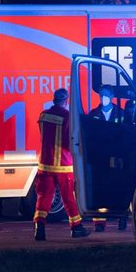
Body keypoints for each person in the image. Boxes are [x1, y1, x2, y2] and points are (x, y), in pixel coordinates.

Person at [33, 88, 90, 241]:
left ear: (53, 99)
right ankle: (76, 227)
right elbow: (68, 142)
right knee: (68, 197)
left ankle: (40, 228)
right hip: (63, 165)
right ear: (66, 101)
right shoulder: (67, 116)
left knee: (44, 197)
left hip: (45, 164)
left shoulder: (43, 115)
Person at [87, 84, 128, 232]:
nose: (103, 97)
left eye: (106, 95)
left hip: (117, 158)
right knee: (99, 189)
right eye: (101, 94)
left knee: (118, 187)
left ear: (111, 97)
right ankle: (99, 222)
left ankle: (121, 217)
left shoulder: (121, 114)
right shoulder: (93, 114)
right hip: (99, 158)